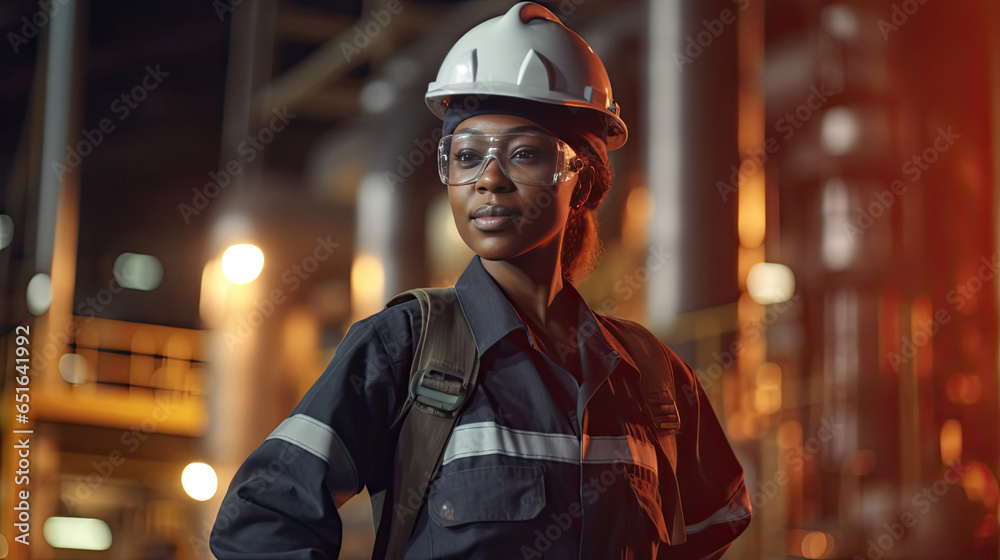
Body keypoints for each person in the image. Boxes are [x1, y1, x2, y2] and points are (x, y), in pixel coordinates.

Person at [209, 3, 751, 559]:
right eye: (465, 156)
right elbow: (261, 519)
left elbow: (717, 519)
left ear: (582, 181)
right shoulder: (403, 349)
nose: (488, 180)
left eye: (523, 154)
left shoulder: (651, 377)